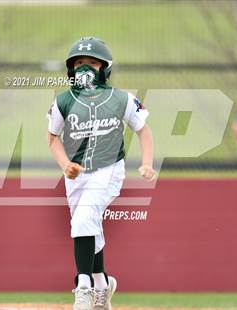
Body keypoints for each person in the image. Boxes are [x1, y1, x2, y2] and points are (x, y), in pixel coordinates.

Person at [47, 37, 156, 310]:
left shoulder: (122, 98)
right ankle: (102, 284)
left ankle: (83, 287)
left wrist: (147, 162)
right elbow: (52, 137)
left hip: (109, 169)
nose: (85, 68)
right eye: (79, 63)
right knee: (88, 225)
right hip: (76, 174)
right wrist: (64, 165)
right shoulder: (64, 101)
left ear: (105, 68)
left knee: (83, 219)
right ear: (71, 70)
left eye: (92, 63)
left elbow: (142, 129)